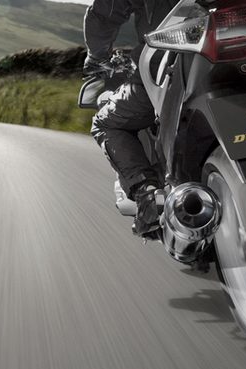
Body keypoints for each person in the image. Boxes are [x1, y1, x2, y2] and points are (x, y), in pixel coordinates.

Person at [83, 0, 180, 238]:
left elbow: (105, 14)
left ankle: (148, 194)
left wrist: (97, 56)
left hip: (169, 64)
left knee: (105, 123)